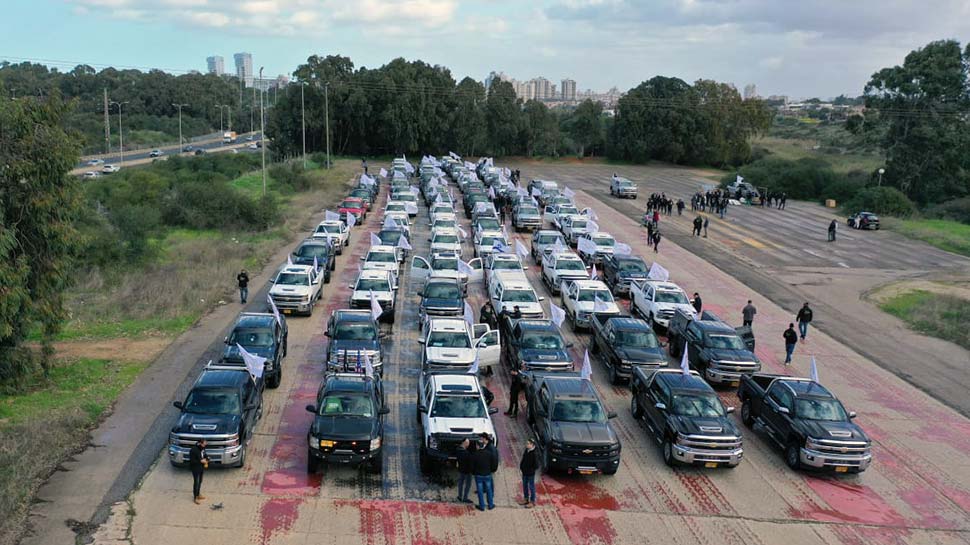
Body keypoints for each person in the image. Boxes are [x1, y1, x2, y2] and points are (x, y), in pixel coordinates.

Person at [472, 434, 498, 511]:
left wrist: (474, 473)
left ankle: (482, 506)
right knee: (489, 489)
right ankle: (490, 505)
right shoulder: (489, 453)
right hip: (487, 474)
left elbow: (472, 466)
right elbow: (493, 463)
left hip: (478, 475)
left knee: (480, 491)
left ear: (477, 446)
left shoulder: (475, 455)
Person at [518, 439, 539, 508]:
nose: (526, 445)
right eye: (526, 443)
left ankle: (532, 501)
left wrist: (530, 470)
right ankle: (526, 499)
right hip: (525, 472)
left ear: (532, 445)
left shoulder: (534, 454)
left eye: (528, 444)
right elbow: (523, 459)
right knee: (524, 485)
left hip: (530, 474)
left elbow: (536, 465)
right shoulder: (526, 450)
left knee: (531, 487)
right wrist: (521, 467)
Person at [189, 439, 209, 504]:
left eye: (206, 444)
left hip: (201, 468)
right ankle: (195, 498)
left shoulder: (202, 448)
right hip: (195, 468)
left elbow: (204, 454)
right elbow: (192, 461)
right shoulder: (193, 450)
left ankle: (198, 494)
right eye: (204, 444)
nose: (205, 446)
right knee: (196, 482)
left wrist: (207, 457)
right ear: (200, 443)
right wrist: (200, 461)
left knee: (200, 481)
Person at [456, 439, 475, 504]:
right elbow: (470, 464)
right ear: (465, 443)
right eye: (468, 443)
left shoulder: (458, 450)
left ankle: (459, 496)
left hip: (461, 469)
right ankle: (465, 498)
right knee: (468, 484)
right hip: (467, 471)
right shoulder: (467, 453)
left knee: (460, 482)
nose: (468, 444)